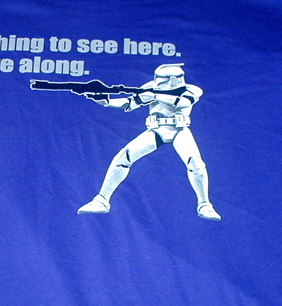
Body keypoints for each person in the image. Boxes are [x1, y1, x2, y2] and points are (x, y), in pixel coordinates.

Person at [79, 63, 221, 220]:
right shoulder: (150, 88)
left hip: (179, 130)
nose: (157, 83)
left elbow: (182, 102)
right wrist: (106, 101)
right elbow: (129, 103)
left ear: (174, 80)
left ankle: (205, 204)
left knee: (195, 163)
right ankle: (101, 200)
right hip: (156, 130)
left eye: (162, 80)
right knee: (123, 158)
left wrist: (154, 94)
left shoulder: (192, 89)